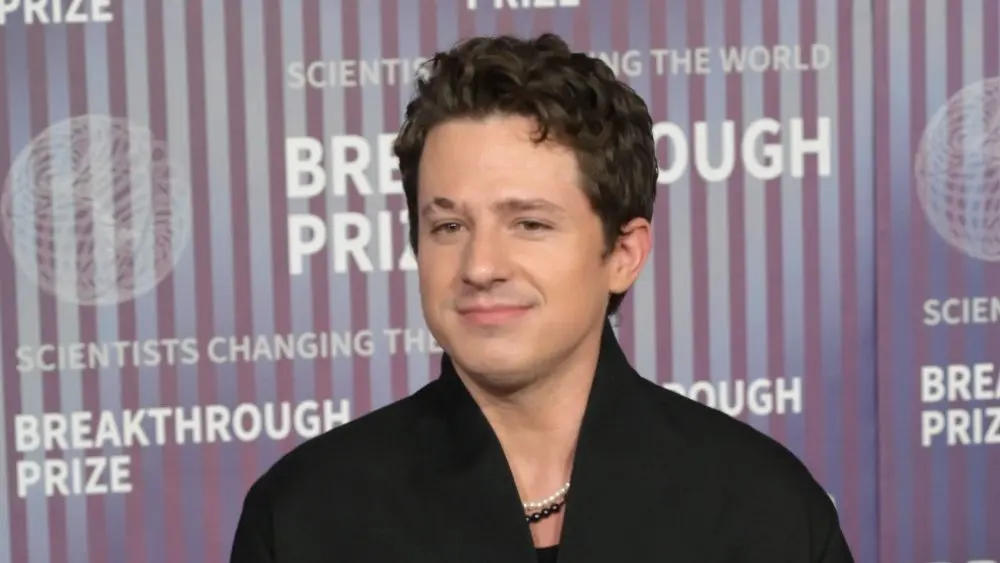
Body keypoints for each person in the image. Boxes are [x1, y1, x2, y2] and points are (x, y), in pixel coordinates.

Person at [229, 33, 854, 563]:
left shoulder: (762, 511)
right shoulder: (306, 518)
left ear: (623, 254)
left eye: (529, 223)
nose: (479, 266)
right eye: (448, 226)